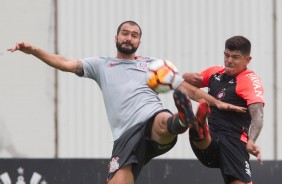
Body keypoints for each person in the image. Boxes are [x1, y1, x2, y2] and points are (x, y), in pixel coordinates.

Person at [8, 21, 245, 184]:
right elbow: (65, 63)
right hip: (124, 137)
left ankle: (182, 119)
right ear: (116, 37)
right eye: (125, 33)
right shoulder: (101, 65)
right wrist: (34, 51)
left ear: (139, 41)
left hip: (151, 119)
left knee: (161, 121)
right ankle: (181, 119)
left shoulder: (152, 65)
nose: (129, 37)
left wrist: (217, 103)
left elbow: (188, 90)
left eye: (134, 35)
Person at [183, 35, 264, 184]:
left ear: (247, 60)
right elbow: (181, 84)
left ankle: (198, 124)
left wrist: (252, 141)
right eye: (226, 55)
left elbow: (258, 114)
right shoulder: (215, 73)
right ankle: (198, 125)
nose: (229, 60)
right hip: (210, 142)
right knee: (200, 134)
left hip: (234, 143)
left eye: (235, 57)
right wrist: (182, 76)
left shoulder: (249, 81)